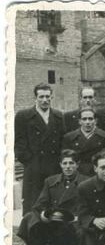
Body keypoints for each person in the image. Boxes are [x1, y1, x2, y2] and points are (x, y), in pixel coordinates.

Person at [17, 149, 89, 245]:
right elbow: (39, 205)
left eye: (71, 163)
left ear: (77, 165)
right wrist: (44, 214)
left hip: (73, 221)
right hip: (53, 219)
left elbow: (90, 206)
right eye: (65, 163)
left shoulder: (87, 182)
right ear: (60, 165)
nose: (68, 166)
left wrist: (79, 217)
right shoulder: (50, 181)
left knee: (79, 230)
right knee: (29, 217)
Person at [15, 83, 65, 215]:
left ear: (51, 97)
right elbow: (19, 144)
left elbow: (62, 142)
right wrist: (30, 163)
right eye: (41, 96)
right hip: (34, 169)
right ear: (35, 98)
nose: (45, 100)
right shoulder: (23, 116)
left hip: (54, 167)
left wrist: (60, 163)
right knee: (33, 203)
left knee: (53, 203)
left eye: (47, 97)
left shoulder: (59, 116)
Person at [62, 107, 105, 176]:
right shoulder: (69, 137)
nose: (87, 122)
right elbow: (66, 159)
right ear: (79, 121)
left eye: (90, 119)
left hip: (98, 174)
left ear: (95, 121)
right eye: (84, 119)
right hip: (77, 174)